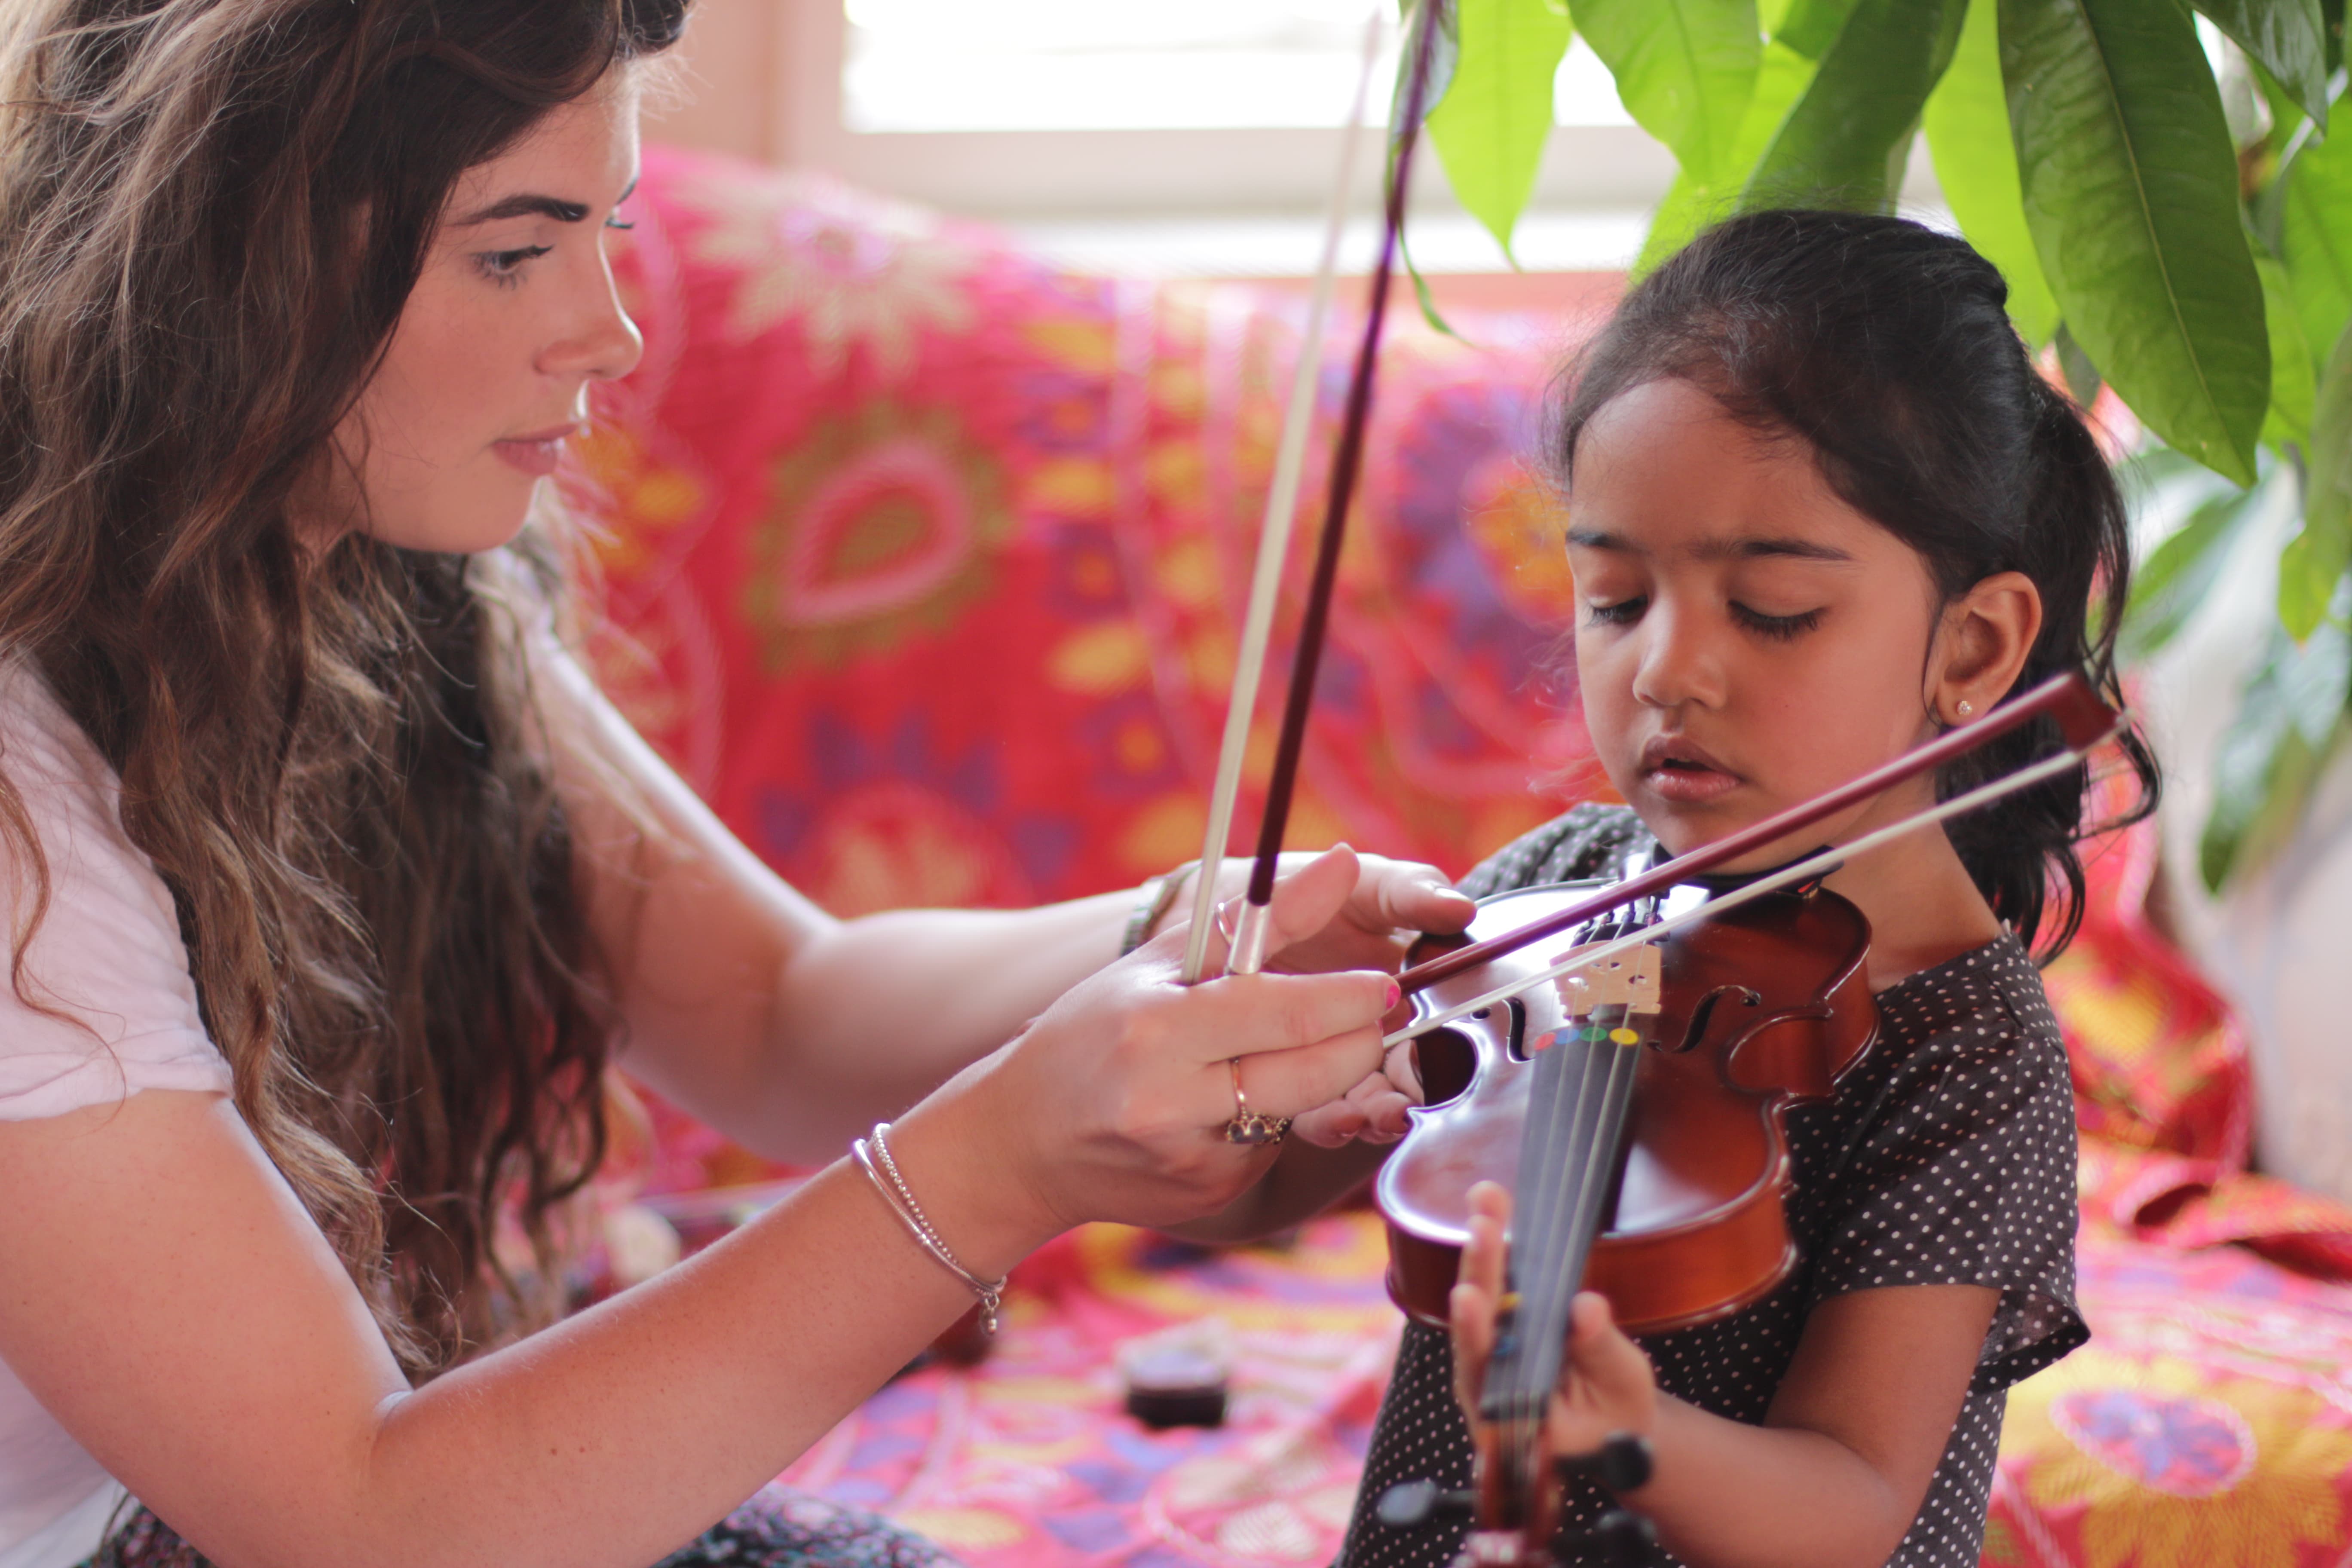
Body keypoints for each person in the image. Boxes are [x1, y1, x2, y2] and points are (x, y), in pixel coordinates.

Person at [0, 6, 1480, 1568]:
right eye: (515, 254)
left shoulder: (374, 583)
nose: (610, 334)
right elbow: (366, 1526)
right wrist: (1002, 1160)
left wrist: (1186, 933)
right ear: (241, 258)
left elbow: (779, 1012)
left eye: (611, 233)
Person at [1302, 210, 2157, 1567]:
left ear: (1974, 648)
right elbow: (1334, 1139)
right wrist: (1314, 1086)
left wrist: (1630, 1434)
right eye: (1615, 597)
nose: (1664, 671)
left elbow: (1854, 1499)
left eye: (1770, 611)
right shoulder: (1554, 894)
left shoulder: (1963, 1059)